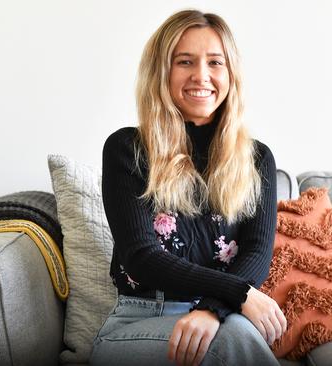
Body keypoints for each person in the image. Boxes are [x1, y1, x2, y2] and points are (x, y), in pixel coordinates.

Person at [89, 9, 286, 366]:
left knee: (235, 336)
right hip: (140, 321)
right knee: (236, 339)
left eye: (215, 62)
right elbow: (142, 257)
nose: (201, 75)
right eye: (185, 62)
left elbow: (257, 254)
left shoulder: (257, 159)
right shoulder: (127, 150)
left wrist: (212, 310)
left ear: (231, 74)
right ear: (162, 71)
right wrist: (238, 294)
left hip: (222, 319)